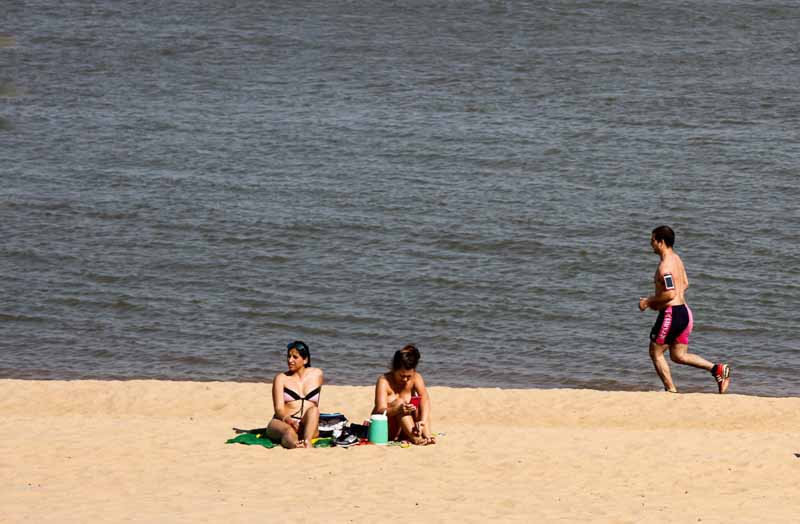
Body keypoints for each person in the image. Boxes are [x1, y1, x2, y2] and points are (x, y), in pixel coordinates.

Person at [638, 225, 731, 393]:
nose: (650, 244)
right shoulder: (677, 259)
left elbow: (670, 293)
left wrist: (649, 301)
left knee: (655, 352)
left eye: (652, 240)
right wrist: (661, 303)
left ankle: (670, 390)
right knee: (678, 356)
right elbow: (685, 283)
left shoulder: (665, 267)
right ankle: (717, 369)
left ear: (661, 242)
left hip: (672, 314)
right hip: (684, 313)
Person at [264, 340, 323, 448]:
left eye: (295, 357)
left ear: (305, 360)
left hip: (306, 425)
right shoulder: (281, 378)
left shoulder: (317, 374)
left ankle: (307, 441)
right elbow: (278, 410)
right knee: (288, 431)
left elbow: (314, 406)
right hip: (283, 422)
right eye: (288, 356)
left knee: (314, 410)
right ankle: (296, 445)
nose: (290, 360)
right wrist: (289, 420)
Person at [372, 344, 435, 445]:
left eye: (408, 376)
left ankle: (427, 434)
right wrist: (397, 409)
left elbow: (425, 400)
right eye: (402, 375)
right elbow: (379, 410)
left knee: (418, 402)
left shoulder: (416, 377)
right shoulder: (383, 381)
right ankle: (416, 438)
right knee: (400, 403)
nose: (405, 379)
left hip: (408, 429)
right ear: (394, 369)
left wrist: (422, 421)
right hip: (388, 429)